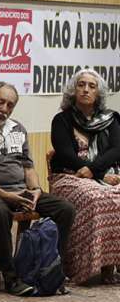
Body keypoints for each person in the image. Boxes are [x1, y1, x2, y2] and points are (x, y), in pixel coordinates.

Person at [0, 81, 75, 295]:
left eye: (10, 105)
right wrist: (5, 195)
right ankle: (11, 278)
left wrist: (35, 189)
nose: (4, 109)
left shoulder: (17, 129)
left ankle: (52, 271)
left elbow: (28, 167)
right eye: (0, 102)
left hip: (20, 190)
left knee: (65, 209)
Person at [49, 68, 120, 285]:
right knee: (95, 198)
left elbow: (116, 150)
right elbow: (65, 155)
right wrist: (98, 175)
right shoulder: (61, 120)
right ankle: (83, 267)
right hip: (70, 177)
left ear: (99, 93)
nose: (86, 90)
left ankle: (111, 264)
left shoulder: (111, 119)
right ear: (73, 90)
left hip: (106, 175)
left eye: (91, 86)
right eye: (81, 85)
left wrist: (97, 172)